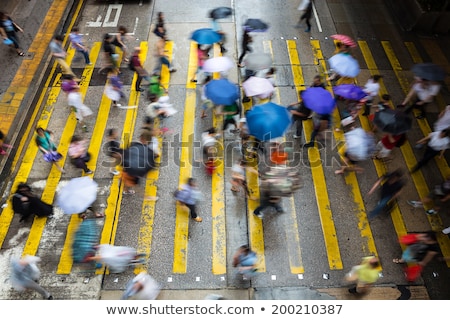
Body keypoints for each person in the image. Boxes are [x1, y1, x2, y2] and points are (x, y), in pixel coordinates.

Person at [121, 131, 157, 196]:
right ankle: (146, 196)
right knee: (134, 184)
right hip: (132, 172)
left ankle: (126, 190)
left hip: (129, 170)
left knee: (129, 183)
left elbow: (125, 155)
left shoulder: (134, 145)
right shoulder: (147, 150)